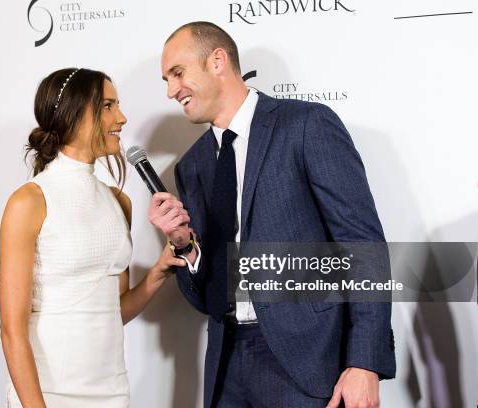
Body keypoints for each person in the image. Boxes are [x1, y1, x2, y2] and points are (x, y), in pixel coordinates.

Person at [149, 22, 396, 407]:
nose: (170, 90)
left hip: (307, 364)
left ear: (217, 61)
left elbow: (362, 246)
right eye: (166, 79)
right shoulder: (193, 166)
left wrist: (364, 363)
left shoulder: (305, 125)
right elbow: (207, 300)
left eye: (177, 73)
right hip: (225, 367)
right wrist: (187, 249)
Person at [0, 68, 187, 408]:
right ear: (74, 113)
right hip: (48, 394)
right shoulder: (29, 201)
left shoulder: (119, 202)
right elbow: (12, 331)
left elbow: (113, 310)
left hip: (112, 392)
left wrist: (158, 272)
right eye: (108, 106)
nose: (122, 117)